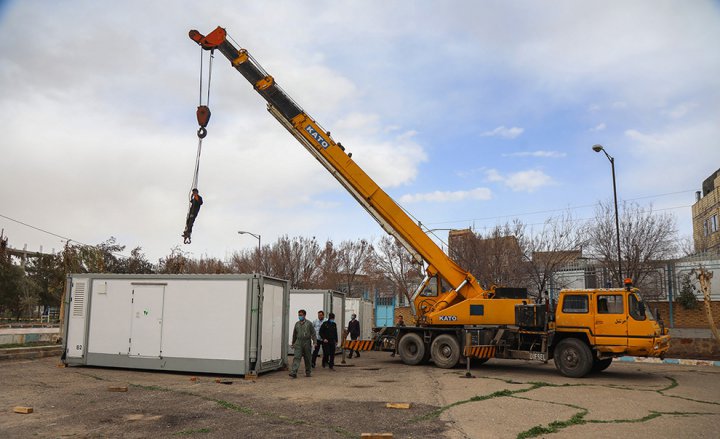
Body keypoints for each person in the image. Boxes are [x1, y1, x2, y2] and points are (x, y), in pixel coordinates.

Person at [290, 309, 316, 378]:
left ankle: (308, 372)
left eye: (301, 315)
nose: (299, 316)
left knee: (307, 358)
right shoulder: (297, 324)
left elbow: (313, 333)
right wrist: (293, 343)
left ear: (304, 315)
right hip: (298, 342)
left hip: (306, 342)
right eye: (299, 315)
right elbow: (294, 334)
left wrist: (315, 342)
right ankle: (294, 372)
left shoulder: (309, 324)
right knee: (296, 357)